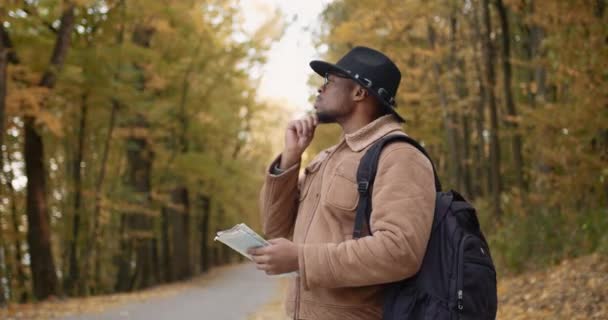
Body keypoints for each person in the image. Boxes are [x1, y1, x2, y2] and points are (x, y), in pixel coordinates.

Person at [248, 46, 436, 319]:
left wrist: (302, 258)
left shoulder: (399, 155)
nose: (320, 89)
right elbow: (276, 229)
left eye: (330, 81)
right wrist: (290, 159)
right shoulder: (327, 158)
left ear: (359, 92)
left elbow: (400, 251)